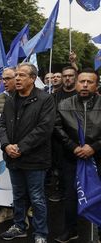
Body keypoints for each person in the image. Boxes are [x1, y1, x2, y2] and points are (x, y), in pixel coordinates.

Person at [0, 63, 55, 243]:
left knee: (37, 198)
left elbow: (44, 129)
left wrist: (20, 148)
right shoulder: (9, 100)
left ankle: (41, 233)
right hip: (13, 158)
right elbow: (2, 126)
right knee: (18, 195)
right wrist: (7, 145)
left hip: (35, 160)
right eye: (16, 75)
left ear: (32, 78)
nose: (17, 78)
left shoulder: (45, 99)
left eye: (22, 75)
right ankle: (19, 226)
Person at [54, 68, 101, 243]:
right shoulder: (64, 105)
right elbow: (57, 129)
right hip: (72, 159)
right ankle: (70, 229)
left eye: (90, 82)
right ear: (76, 84)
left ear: (96, 85)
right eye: (82, 81)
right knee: (71, 196)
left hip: (98, 158)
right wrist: (74, 147)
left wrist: (94, 147)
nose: (85, 85)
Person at [0, 68, 16, 224]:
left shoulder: (24, 97)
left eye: (7, 78)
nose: (4, 82)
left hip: (20, 146)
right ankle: (5, 210)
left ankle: (23, 210)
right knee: (3, 179)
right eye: (3, 79)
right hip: (2, 144)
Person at [49, 66, 78, 203]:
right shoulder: (54, 96)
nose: (67, 78)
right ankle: (62, 191)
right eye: (65, 75)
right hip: (59, 139)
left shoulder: (81, 94)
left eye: (70, 76)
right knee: (61, 168)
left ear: (75, 77)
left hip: (79, 140)